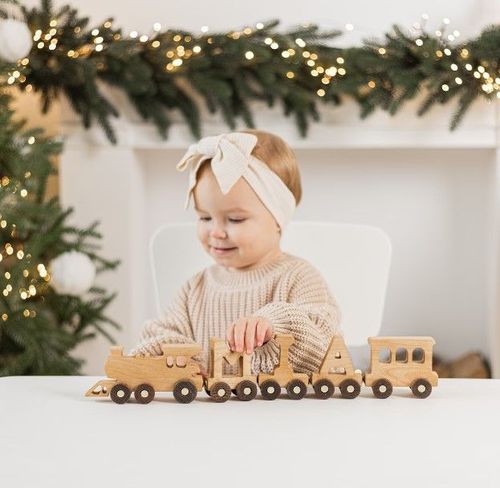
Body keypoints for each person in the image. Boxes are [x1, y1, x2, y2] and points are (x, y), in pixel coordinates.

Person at [129, 129, 341, 377]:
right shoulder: (194, 289)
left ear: (278, 220)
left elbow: (322, 342)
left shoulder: (300, 277)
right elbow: (163, 334)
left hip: (281, 412)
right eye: (205, 217)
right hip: (209, 413)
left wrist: (273, 324)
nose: (216, 232)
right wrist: (177, 357)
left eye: (235, 219)